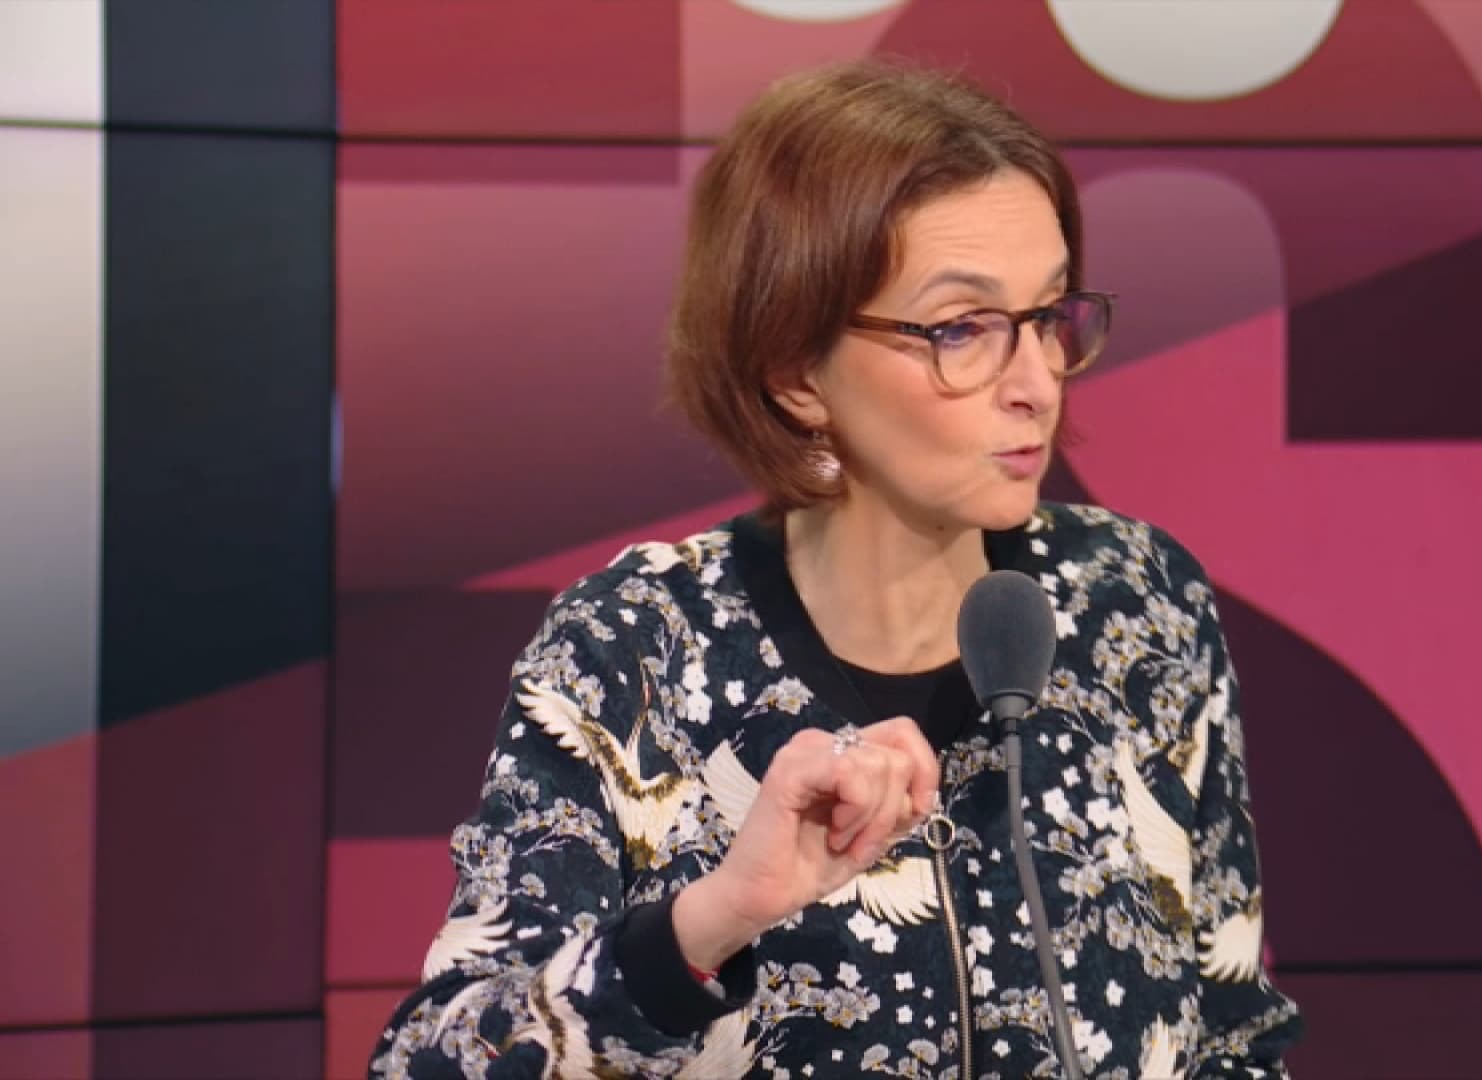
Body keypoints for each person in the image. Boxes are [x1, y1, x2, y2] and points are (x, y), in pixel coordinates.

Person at [370, 59, 1301, 1079]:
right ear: (795, 371)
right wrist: (709, 923)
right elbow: (433, 1061)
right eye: (963, 329)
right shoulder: (635, 650)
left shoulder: (1136, 600)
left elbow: (1233, 1033)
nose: (1037, 382)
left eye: (1047, 317)